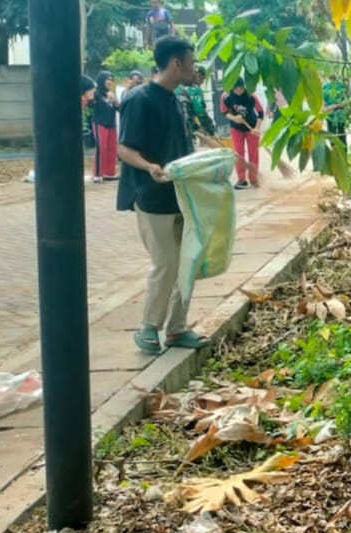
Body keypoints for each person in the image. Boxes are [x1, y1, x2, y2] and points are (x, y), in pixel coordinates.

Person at [117, 36, 208, 354]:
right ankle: (149, 328)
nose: (194, 68)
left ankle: (177, 329)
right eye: (192, 62)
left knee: (188, 262)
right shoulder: (139, 99)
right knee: (166, 263)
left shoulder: (178, 98)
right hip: (152, 196)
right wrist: (149, 167)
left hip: (183, 195)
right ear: (176, 63)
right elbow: (124, 148)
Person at [222, 79, 264, 189]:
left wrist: (257, 128)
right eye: (237, 88)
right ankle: (242, 179)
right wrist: (234, 118)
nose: (240, 90)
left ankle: (254, 178)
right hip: (236, 129)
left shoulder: (251, 96)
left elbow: (260, 112)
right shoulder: (226, 97)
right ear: (232, 88)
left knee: (253, 153)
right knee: (238, 154)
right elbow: (225, 112)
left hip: (252, 128)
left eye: (242, 88)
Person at [92, 72, 120, 181]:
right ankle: (98, 174)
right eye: (107, 79)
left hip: (111, 123)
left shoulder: (111, 93)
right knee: (101, 147)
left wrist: (115, 101)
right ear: (101, 80)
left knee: (112, 148)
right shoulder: (96, 93)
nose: (109, 81)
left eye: (111, 79)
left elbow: (119, 109)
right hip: (100, 123)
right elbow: (91, 104)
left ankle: (109, 173)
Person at [177, 66, 216, 136]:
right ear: (198, 75)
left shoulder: (176, 87)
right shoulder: (195, 90)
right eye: (202, 79)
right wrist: (210, 128)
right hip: (185, 129)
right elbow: (200, 112)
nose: (202, 82)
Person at [322, 73, 349, 144]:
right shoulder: (325, 87)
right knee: (335, 136)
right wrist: (333, 107)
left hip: (338, 115)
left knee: (339, 135)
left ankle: (338, 152)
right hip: (332, 115)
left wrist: (333, 106)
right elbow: (323, 107)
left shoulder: (340, 86)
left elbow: (345, 103)